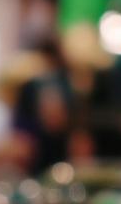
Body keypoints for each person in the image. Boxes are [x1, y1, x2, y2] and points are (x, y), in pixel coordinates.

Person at [12, 41, 77, 172]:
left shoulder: (66, 84)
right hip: (37, 144)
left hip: (62, 143)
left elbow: (74, 114)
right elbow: (20, 119)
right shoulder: (30, 87)